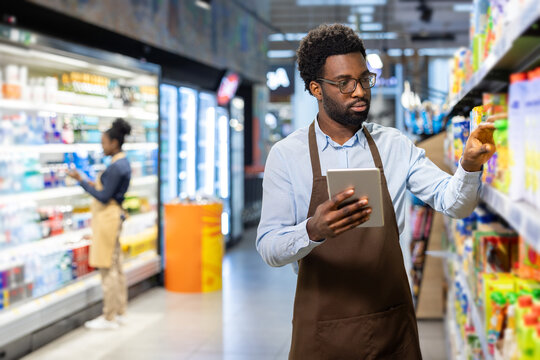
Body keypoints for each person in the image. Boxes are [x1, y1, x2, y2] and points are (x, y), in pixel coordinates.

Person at [256, 24, 496, 359]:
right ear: (316, 89)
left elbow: (453, 202)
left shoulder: (394, 145)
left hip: (389, 324)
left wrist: (469, 166)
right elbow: (268, 246)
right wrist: (313, 230)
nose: (359, 91)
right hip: (321, 329)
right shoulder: (286, 155)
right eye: (345, 83)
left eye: (364, 79)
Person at [68, 118, 132, 330]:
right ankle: (120, 311)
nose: (102, 147)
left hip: (108, 219)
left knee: (107, 266)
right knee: (116, 265)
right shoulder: (122, 163)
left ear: (114, 143)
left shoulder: (116, 167)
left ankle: (109, 316)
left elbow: (103, 196)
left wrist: (81, 181)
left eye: (104, 143)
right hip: (113, 218)